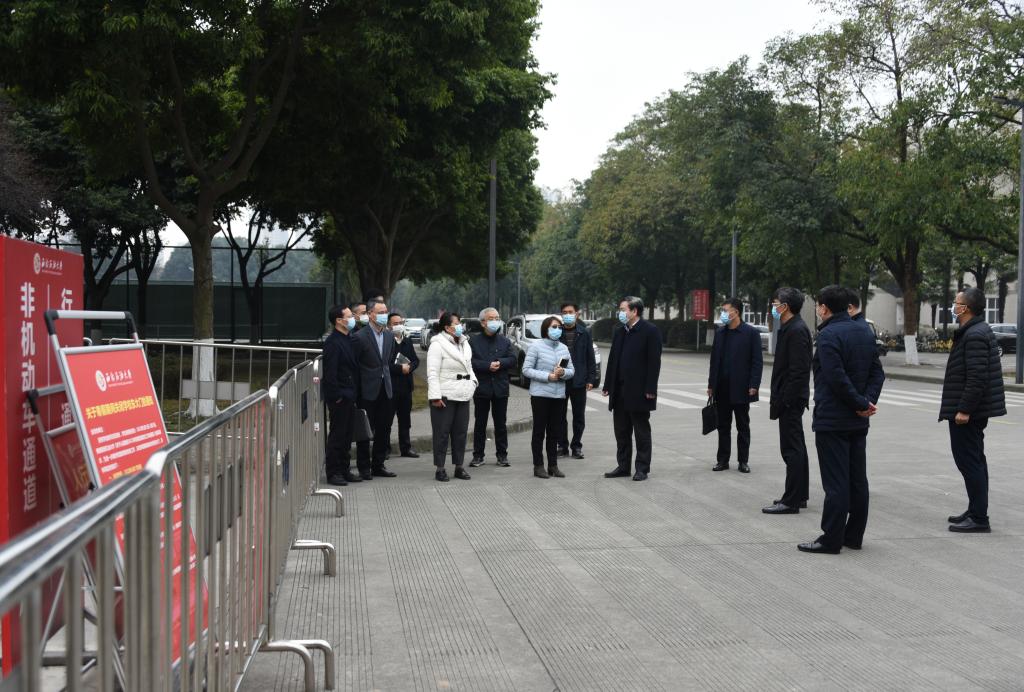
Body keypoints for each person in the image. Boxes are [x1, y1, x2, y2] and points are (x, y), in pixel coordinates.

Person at [798, 285, 884, 554]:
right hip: (857, 419)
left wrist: (861, 404)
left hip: (833, 419)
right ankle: (853, 535)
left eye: (817, 305)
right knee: (857, 479)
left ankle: (831, 539)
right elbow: (877, 373)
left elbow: (835, 378)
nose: (817, 309)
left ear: (824, 308)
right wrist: (866, 402)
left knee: (835, 483)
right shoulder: (864, 331)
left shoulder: (828, 335)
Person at [939, 287, 1006, 533]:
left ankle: (979, 518)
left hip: (969, 412)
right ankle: (975, 509)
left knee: (970, 462)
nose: (953, 307)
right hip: (973, 410)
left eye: (956, 303)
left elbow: (977, 378)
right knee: (975, 460)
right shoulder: (974, 330)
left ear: (965, 308)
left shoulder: (975, 334)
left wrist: (964, 409)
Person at [762, 288, 812, 514]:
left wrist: (786, 400)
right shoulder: (790, 327)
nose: (773, 307)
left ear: (786, 306)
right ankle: (798, 495)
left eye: (776, 303)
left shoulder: (796, 330)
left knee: (792, 450)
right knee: (796, 447)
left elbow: (799, 371)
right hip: (789, 398)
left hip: (791, 400)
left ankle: (791, 501)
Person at [602, 296, 662, 481]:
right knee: (621, 431)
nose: (620, 313)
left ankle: (642, 468)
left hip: (639, 391)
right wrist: (608, 384)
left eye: (623, 309)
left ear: (634, 311)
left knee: (641, 431)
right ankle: (623, 466)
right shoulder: (620, 331)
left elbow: (654, 362)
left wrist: (651, 388)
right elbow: (613, 359)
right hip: (619, 390)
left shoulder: (650, 331)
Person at [706, 298, 763, 473]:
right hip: (722, 388)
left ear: (736, 312)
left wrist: (754, 384)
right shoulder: (720, 333)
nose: (723, 313)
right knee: (723, 426)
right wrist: (711, 385)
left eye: (725, 310)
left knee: (742, 426)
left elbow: (757, 362)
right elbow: (714, 361)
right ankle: (722, 460)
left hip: (742, 388)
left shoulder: (750, 333)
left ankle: (743, 461)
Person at [426, 312, 478, 481]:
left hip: (463, 393)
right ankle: (440, 468)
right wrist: (435, 396)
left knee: (460, 433)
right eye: (456, 323)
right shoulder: (437, 344)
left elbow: (469, 367)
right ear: (447, 327)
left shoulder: (464, 342)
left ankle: (459, 466)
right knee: (442, 433)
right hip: (445, 395)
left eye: (460, 322)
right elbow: (432, 372)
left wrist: (473, 382)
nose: (460, 326)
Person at [522, 315, 575, 478]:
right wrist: (547, 376)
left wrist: (563, 372)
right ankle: (538, 466)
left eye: (559, 327)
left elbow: (572, 371)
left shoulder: (563, 348)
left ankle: (553, 465)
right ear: (546, 329)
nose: (557, 330)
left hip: (558, 396)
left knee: (554, 432)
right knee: (539, 431)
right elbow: (526, 370)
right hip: (540, 395)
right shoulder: (536, 346)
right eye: (554, 327)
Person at [351, 298, 397, 479]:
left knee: (384, 428)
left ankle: (379, 464)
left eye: (385, 312)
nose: (384, 315)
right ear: (370, 314)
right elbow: (355, 366)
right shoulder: (359, 337)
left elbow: (388, 360)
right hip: (367, 390)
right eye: (380, 312)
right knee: (365, 429)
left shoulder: (389, 336)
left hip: (386, 388)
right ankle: (364, 467)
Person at [469, 308, 517, 467]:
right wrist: (487, 366)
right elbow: (470, 362)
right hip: (481, 388)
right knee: (480, 424)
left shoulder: (505, 341)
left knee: (501, 424)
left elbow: (513, 359)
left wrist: (500, 363)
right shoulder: (473, 341)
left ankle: (502, 455)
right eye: (491, 318)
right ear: (483, 322)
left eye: (497, 318)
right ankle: (478, 455)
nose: (495, 321)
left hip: (500, 388)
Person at [321, 304, 362, 486]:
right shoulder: (333, 342)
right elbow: (330, 373)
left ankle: (345, 469)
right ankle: (333, 472)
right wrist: (336, 396)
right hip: (340, 397)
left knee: (347, 436)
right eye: (349, 316)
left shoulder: (348, 339)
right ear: (339, 320)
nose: (352, 318)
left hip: (350, 394)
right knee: (337, 435)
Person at [557, 303, 599, 459]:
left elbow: (590, 357)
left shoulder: (584, 332)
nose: (567, 314)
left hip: (579, 380)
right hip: (560, 380)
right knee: (559, 416)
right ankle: (562, 445)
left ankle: (576, 446)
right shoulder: (556, 332)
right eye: (564, 312)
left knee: (579, 416)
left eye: (570, 312)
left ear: (577, 314)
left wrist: (591, 378)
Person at [387, 311, 420, 459]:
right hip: (391, 387)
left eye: (400, 323)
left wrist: (410, 367)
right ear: (389, 326)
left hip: (406, 387)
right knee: (386, 420)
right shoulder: (387, 342)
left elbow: (415, 360)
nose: (399, 326)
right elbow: (384, 364)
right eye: (395, 324)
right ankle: (385, 449)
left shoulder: (407, 341)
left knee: (405, 420)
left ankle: (406, 448)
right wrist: (400, 369)